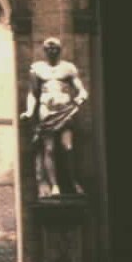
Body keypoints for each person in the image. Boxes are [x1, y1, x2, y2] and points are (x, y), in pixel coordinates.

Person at [24, 36, 88, 197]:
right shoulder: (37, 68)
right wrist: (29, 111)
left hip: (65, 111)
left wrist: (81, 97)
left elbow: (81, 90)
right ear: (44, 51)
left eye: (55, 48)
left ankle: (72, 180)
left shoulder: (68, 68)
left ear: (60, 50)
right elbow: (32, 93)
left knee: (68, 148)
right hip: (46, 111)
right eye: (48, 49)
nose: (51, 51)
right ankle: (54, 185)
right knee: (49, 149)